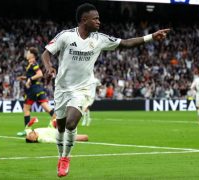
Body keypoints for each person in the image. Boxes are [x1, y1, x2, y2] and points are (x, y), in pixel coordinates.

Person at [41, 3, 170, 177]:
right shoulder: (66, 36)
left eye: (98, 18)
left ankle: (66, 157)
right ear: (84, 20)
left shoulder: (99, 39)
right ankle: (59, 155)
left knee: (71, 123)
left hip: (83, 88)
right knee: (60, 127)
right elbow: (46, 53)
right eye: (95, 18)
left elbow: (125, 43)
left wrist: (151, 37)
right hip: (62, 88)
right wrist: (49, 68)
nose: (99, 21)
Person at [16, 47, 56, 139]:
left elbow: (40, 74)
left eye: (28, 52)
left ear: (32, 55)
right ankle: (59, 123)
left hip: (33, 90)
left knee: (26, 109)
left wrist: (29, 79)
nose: (26, 54)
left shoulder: (33, 63)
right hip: (38, 89)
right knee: (47, 108)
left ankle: (27, 130)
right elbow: (33, 76)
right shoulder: (30, 65)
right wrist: (24, 78)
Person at [24, 118, 88, 143]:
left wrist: (31, 122)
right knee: (85, 137)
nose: (29, 134)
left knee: (56, 118)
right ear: (34, 139)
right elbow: (53, 141)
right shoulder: (42, 139)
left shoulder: (32, 132)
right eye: (29, 136)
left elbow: (27, 129)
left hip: (52, 128)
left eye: (28, 135)